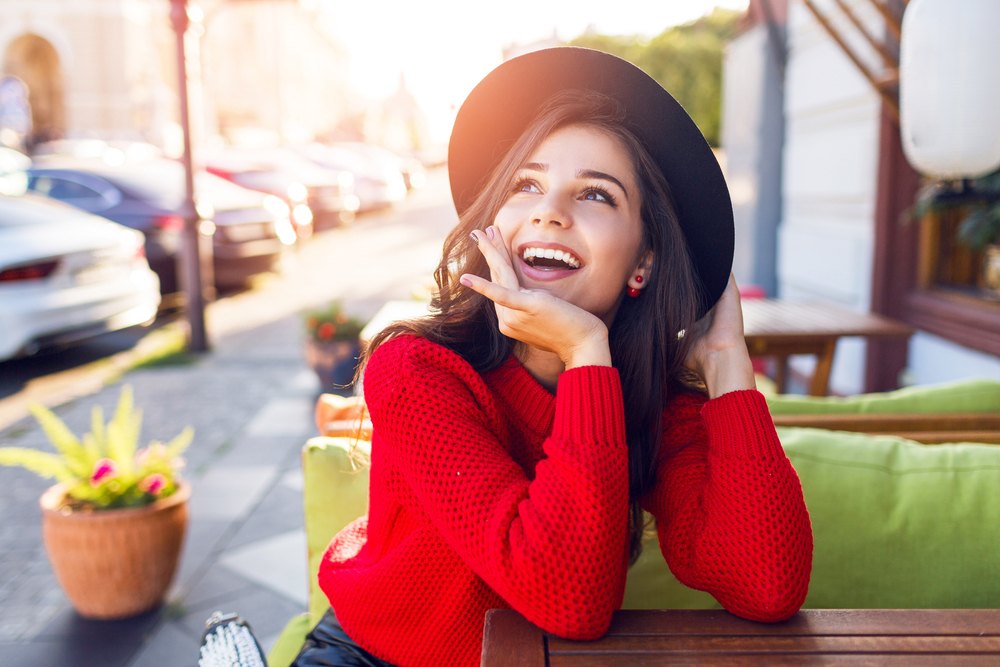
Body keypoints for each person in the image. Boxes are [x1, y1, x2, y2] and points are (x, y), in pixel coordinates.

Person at [296, 47, 813, 667]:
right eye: (526, 184)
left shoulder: (647, 396)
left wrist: (727, 360)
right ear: (492, 226)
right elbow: (569, 600)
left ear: (643, 262)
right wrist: (584, 351)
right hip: (373, 656)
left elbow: (767, 585)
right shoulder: (415, 369)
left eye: (596, 195)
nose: (549, 210)